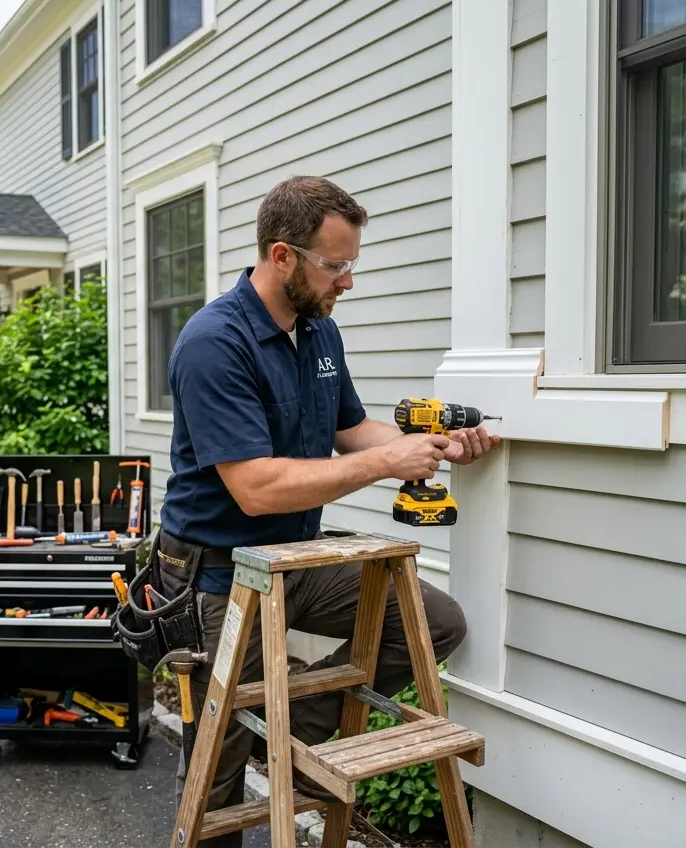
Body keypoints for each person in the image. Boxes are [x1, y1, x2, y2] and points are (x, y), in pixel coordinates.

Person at [151, 175, 500, 845]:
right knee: (216, 774)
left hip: (293, 559)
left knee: (434, 623)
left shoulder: (318, 332)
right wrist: (387, 463)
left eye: (350, 264)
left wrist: (435, 447)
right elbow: (255, 488)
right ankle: (253, 739)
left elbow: (352, 430)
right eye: (335, 266)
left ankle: (285, 731)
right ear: (283, 256)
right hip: (217, 576)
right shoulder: (213, 342)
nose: (348, 281)